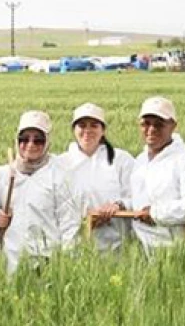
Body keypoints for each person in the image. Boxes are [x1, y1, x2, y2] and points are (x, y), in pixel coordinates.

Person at [0, 111, 80, 272]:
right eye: (24, 139)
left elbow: (70, 224)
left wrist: (66, 265)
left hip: (46, 261)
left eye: (38, 140)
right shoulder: (3, 174)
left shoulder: (60, 175)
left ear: (47, 142)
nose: (30, 144)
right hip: (9, 262)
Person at [126, 97, 185, 251]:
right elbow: (137, 201)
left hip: (175, 250)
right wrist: (119, 205)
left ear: (173, 126)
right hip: (140, 252)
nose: (151, 129)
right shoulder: (140, 161)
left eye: (159, 124)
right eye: (146, 123)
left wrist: (156, 213)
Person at [55, 103, 136, 252]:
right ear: (74, 130)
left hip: (116, 247)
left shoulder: (121, 160)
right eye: (82, 125)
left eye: (94, 125)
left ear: (103, 130)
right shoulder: (60, 163)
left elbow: (138, 197)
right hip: (72, 248)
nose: (87, 130)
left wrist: (118, 206)